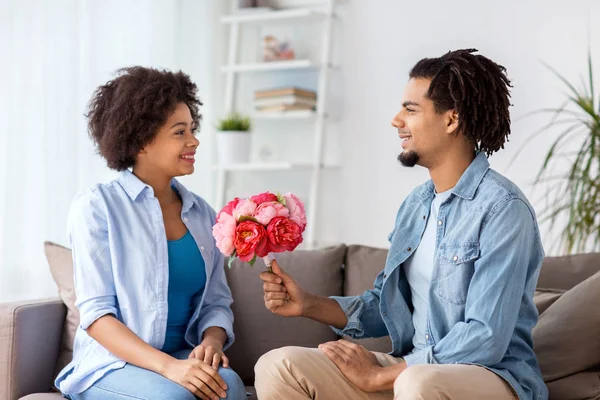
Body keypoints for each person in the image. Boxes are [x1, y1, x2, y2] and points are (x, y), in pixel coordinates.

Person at [256, 49, 547, 400]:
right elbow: (385, 305)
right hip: (411, 370)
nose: (396, 120)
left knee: (416, 382)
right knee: (279, 365)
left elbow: (485, 337)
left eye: (410, 110)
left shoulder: (503, 209)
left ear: (451, 119)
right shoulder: (416, 205)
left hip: (491, 377)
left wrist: (381, 377)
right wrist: (308, 304)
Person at [55, 67, 246, 400]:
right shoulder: (97, 207)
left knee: (228, 388)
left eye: (192, 128)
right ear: (141, 141)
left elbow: (216, 302)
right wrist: (169, 368)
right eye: (179, 132)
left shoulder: (203, 214)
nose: (194, 140)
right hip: (113, 364)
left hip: (182, 357)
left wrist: (211, 343)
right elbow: (97, 315)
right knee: (176, 397)